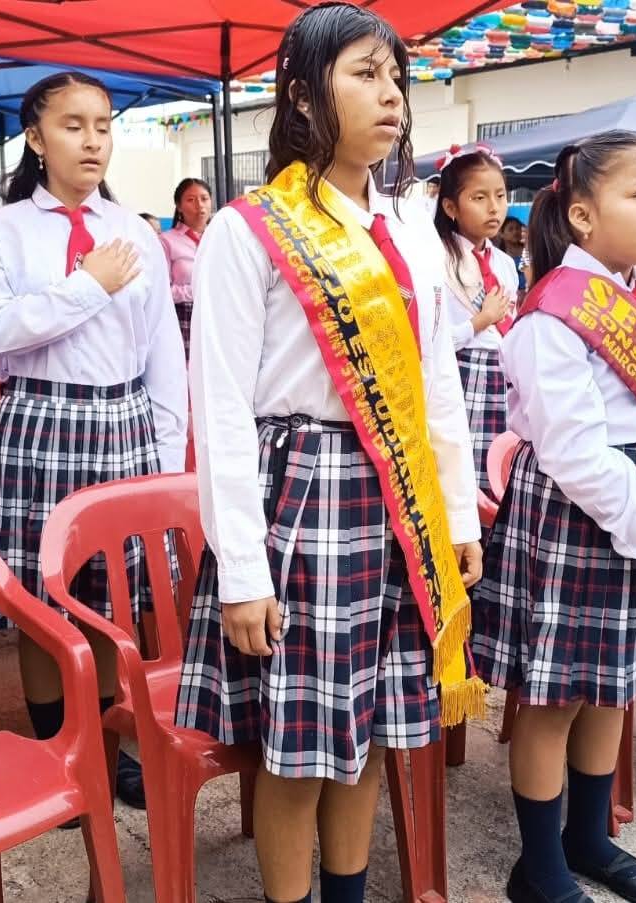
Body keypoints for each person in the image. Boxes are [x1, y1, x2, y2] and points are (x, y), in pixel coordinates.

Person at [176, 6, 482, 901]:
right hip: (302, 497)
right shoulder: (250, 228)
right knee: (300, 746)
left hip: (398, 501)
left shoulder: (408, 228)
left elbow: (436, 383)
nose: (390, 96)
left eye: (396, 78)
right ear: (304, 95)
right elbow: (221, 409)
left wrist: (457, 513)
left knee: (371, 727)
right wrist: (243, 570)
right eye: (364, 74)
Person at [472, 130, 636, 903]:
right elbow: (576, 456)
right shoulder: (551, 316)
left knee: (612, 687)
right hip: (582, 517)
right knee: (555, 698)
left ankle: (590, 835)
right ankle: (540, 866)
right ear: (581, 215)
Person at [0, 70, 186, 814]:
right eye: (73, 125)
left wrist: (165, 458)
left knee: (113, 598)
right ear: (36, 137)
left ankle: (109, 746)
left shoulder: (135, 232)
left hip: (124, 421)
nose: (92, 141)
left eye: (103, 125)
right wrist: (87, 286)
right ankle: (60, 750)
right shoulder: (6, 230)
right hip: (40, 419)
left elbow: (163, 351)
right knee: (40, 599)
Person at [433, 145, 518, 496]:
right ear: (450, 207)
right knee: (460, 476)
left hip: (502, 377)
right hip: (459, 375)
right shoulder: (436, 258)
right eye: (479, 198)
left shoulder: (505, 264)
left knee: (497, 475)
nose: (494, 207)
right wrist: (480, 321)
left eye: (500, 195)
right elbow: (431, 340)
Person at [158, 177, 213, 356]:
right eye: (191, 200)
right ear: (179, 206)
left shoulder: (219, 238)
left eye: (204, 199)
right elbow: (161, 291)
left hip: (216, 315)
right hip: (182, 318)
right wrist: (196, 291)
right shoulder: (166, 241)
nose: (200, 205)